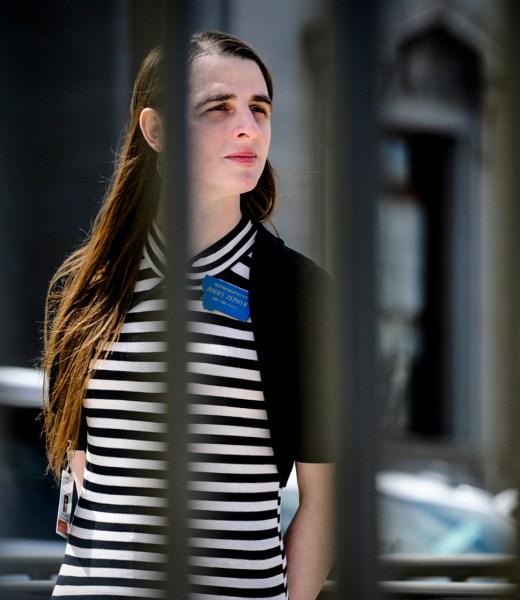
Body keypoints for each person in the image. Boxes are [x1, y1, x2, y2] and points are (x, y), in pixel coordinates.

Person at [43, 30, 334, 600]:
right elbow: (85, 479)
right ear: (156, 131)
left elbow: (329, 505)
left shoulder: (297, 292)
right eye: (218, 108)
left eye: (259, 108)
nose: (248, 126)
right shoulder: (88, 287)